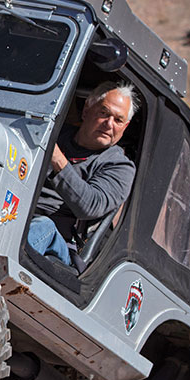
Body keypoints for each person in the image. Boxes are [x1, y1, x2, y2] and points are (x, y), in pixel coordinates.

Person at [28, 81, 139, 266]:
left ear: (124, 127)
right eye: (104, 113)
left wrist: (56, 158)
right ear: (86, 111)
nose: (109, 124)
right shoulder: (57, 132)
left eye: (118, 120)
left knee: (42, 226)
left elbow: (90, 205)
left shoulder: (120, 167)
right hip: (15, 209)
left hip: (56, 239)